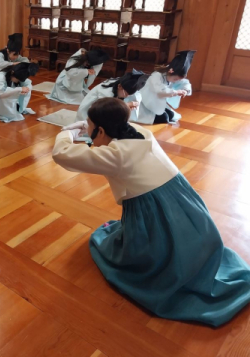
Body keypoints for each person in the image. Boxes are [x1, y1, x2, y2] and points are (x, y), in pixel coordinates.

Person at [52, 97, 250, 327]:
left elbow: (62, 154)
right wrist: (87, 131)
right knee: (182, 238)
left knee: (151, 254)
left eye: (88, 124)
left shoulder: (115, 156)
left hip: (152, 207)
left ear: (102, 130)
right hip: (182, 195)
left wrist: (67, 133)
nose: (86, 128)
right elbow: (102, 142)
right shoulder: (138, 132)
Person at [136, 50, 195, 125]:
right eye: (176, 79)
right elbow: (160, 91)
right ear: (170, 71)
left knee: (171, 115)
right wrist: (176, 92)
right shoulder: (156, 76)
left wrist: (185, 90)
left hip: (157, 104)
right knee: (165, 118)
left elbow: (185, 83)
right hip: (146, 104)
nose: (176, 81)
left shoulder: (172, 77)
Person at [75, 69, 148, 122]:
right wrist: (124, 106)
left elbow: (137, 95)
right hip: (90, 115)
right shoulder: (106, 92)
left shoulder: (125, 84)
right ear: (119, 86)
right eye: (126, 93)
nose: (127, 96)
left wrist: (135, 102)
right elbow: (104, 111)